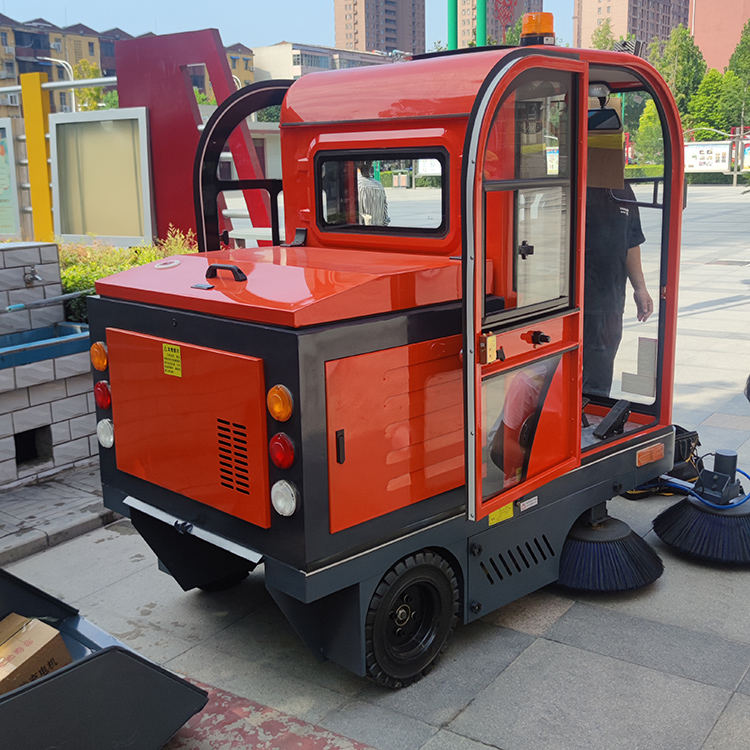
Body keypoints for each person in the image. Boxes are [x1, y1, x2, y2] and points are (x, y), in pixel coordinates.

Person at [582, 184, 653, 397]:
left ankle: (593, 408)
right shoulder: (574, 181)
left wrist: (640, 288)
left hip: (609, 299)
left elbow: (631, 241)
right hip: (568, 299)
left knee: (599, 375)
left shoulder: (622, 189)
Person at [356, 162, 390, 226]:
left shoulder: (355, 185)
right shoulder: (379, 186)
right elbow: (385, 219)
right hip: (378, 230)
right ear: (370, 165)